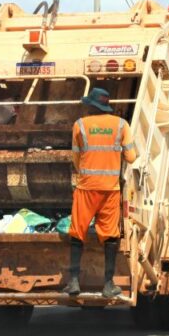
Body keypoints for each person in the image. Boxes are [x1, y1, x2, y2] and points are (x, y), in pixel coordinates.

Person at [64, 88, 137, 298]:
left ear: (90, 106)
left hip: (86, 188)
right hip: (110, 190)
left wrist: (84, 174)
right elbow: (131, 157)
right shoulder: (122, 125)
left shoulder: (80, 125)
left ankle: (74, 282)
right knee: (110, 235)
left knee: (78, 232)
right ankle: (108, 284)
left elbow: (76, 158)